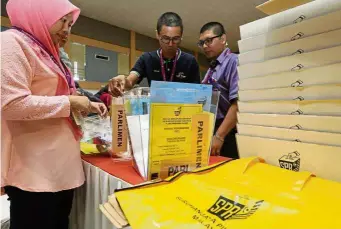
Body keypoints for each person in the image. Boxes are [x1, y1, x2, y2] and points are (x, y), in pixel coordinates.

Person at [1, 0, 107, 229]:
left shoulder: (50, 53)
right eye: (63, 21)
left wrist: (86, 105)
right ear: (42, 14)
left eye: (71, 24)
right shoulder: (11, 43)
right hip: (33, 172)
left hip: (61, 169)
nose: (67, 30)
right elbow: (11, 104)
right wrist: (70, 102)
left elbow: (60, 96)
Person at [109, 12, 201, 96]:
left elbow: (197, 93)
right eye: (165, 38)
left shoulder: (190, 61)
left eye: (176, 39)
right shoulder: (147, 58)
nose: (170, 44)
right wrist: (123, 81)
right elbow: (130, 82)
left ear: (181, 36)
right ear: (157, 34)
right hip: (156, 109)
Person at [198, 22, 239, 159]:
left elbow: (238, 103)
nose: (204, 46)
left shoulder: (234, 61)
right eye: (202, 42)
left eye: (209, 40)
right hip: (214, 129)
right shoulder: (212, 68)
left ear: (223, 39)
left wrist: (219, 136)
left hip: (229, 131)